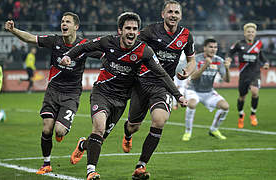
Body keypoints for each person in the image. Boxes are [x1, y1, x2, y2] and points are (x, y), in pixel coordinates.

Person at [60, 12, 187, 180]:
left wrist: (178, 96)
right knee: (98, 127)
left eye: (135, 29)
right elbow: (84, 47)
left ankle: (83, 144)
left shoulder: (143, 51)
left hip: (121, 100)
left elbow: (162, 74)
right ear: (120, 30)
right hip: (102, 93)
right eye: (128, 28)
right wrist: (68, 56)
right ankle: (91, 171)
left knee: (101, 137)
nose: (131, 32)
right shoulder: (107, 42)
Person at [4, 12, 102, 175]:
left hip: (71, 94)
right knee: (46, 129)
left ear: (76, 27)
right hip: (53, 91)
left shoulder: (84, 46)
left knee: (59, 131)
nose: (63, 24)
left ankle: (74, 139)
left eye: (68, 22)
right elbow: (30, 38)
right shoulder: (54, 40)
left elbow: (106, 54)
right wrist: (14, 30)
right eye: (62, 21)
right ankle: (46, 163)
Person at [121, 1, 196, 179]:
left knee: (159, 120)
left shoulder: (186, 35)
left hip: (164, 85)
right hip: (142, 82)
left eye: (176, 12)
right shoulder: (149, 31)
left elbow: (192, 60)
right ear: (163, 14)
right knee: (133, 126)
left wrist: (188, 71)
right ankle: (127, 134)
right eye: (169, 11)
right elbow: (131, 47)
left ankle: (141, 166)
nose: (173, 15)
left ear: (181, 16)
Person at [182, 38, 231, 141]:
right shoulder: (196, 59)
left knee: (225, 106)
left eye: (215, 47)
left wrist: (227, 68)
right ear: (205, 48)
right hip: (193, 90)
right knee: (192, 104)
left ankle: (214, 129)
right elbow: (193, 77)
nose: (213, 49)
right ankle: (188, 132)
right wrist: (205, 66)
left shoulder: (218, 60)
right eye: (210, 47)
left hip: (208, 92)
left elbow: (227, 80)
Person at [226, 23, 269, 129]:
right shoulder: (239, 44)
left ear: (255, 33)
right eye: (248, 32)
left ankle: (253, 114)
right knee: (242, 97)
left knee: (255, 92)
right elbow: (230, 52)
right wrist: (228, 58)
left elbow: (262, 56)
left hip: (255, 73)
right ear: (245, 33)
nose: (250, 33)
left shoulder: (258, 44)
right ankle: (241, 115)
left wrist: (266, 62)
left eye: (252, 32)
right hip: (244, 75)